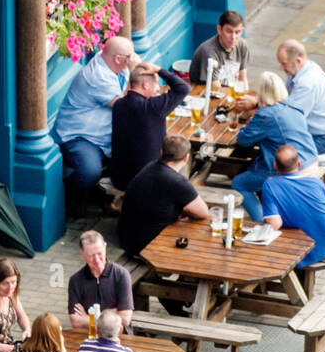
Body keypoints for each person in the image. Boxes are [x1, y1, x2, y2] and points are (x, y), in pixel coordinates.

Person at [52, 35, 134, 200]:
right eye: (130, 56)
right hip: (79, 135)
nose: (132, 60)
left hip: (103, 133)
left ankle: (105, 198)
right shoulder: (97, 76)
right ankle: (63, 197)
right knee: (89, 171)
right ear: (118, 58)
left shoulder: (117, 66)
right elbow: (124, 105)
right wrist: (137, 71)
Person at [232, 71, 318, 222]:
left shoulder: (266, 115)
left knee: (239, 183)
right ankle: (269, 209)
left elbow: (243, 140)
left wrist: (250, 121)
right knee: (255, 172)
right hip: (310, 160)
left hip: (291, 168)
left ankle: (261, 222)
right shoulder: (294, 106)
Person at [118, 135, 209, 258]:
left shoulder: (149, 166)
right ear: (187, 158)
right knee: (202, 235)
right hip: (147, 248)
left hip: (126, 240)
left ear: (161, 152)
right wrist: (183, 210)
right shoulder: (177, 181)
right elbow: (203, 213)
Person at [108, 61, 188, 191]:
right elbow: (183, 88)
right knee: (181, 156)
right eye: (156, 83)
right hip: (147, 182)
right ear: (145, 85)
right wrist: (158, 69)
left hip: (119, 179)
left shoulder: (118, 105)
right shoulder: (152, 108)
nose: (157, 88)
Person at [261, 146, 325, 269]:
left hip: (306, 246)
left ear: (275, 166)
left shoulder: (270, 185)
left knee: (270, 255)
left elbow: (274, 224)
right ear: (298, 164)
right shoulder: (316, 182)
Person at [275, 41, 325, 156]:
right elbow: (283, 101)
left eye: (284, 64)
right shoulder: (301, 70)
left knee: (279, 152)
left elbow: (290, 117)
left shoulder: (307, 82)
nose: (281, 68)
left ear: (298, 61)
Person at [68, 231, 134, 334]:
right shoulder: (76, 280)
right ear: (83, 254)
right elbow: (75, 322)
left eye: (99, 253)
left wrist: (90, 317)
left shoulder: (121, 275)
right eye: (91, 255)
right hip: (89, 336)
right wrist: (113, 312)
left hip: (119, 337)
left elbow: (125, 318)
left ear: (105, 247)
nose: (97, 259)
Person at [189, 10, 250, 88]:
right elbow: (216, 89)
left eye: (237, 32)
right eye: (229, 31)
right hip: (206, 95)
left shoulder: (242, 45)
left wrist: (245, 96)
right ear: (219, 29)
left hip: (230, 92)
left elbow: (243, 78)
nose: (233, 37)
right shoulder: (209, 52)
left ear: (242, 31)